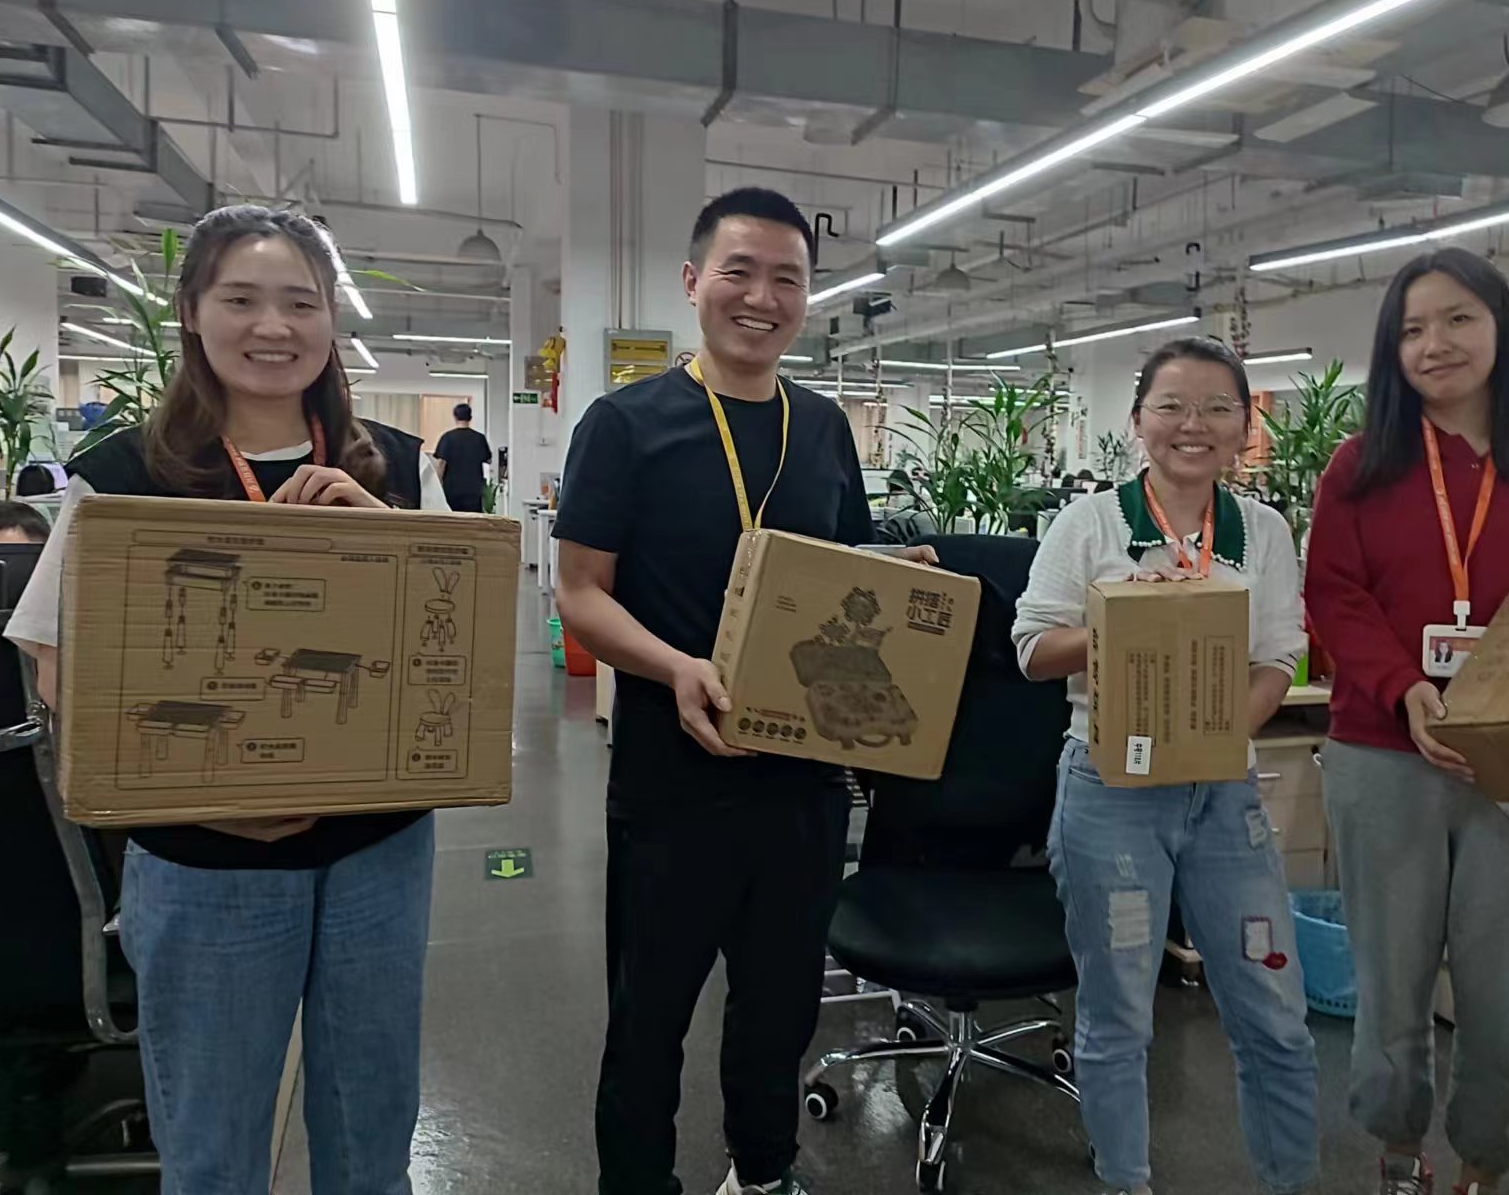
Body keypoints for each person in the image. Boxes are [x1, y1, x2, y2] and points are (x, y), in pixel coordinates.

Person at [6, 204, 450, 1195]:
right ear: (192, 312)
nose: (273, 326)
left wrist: (388, 538)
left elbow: (448, 653)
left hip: (377, 851)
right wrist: (202, 790)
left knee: (372, 1131)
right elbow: (60, 670)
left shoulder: (393, 463)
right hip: (206, 860)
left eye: (300, 302)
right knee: (212, 1149)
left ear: (330, 317)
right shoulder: (121, 476)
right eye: (241, 300)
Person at [554, 187, 933, 1195]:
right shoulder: (625, 424)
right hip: (671, 780)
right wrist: (674, 667)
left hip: (802, 781)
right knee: (649, 1017)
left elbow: (839, 573)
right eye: (739, 272)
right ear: (693, 282)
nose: (762, 298)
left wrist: (897, 582)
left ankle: (763, 1173)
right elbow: (579, 592)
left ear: (808, 296)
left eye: (787, 280)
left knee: (779, 1010)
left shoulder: (822, 427)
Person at [1305, 247, 1509, 1195]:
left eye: (1458, 319)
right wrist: (1403, 687)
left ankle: (1489, 1163)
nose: (1435, 343)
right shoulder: (1360, 466)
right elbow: (1334, 594)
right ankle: (1397, 1152)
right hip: (1385, 753)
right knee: (1391, 984)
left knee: (1505, 991)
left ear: (1502, 328)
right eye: (1412, 329)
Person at [1012, 336, 1320, 1195]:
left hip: (1223, 795)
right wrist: (1121, 622)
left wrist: (1216, 740)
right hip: (1110, 791)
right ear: (1138, 419)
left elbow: (1277, 658)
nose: (1194, 425)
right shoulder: (1091, 524)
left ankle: (1291, 1182)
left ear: (1244, 426)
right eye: (1172, 406)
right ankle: (1126, 1181)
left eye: (1219, 408)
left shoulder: (1262, 532)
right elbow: (1030, 648)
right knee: (1118, 1014)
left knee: (1275, 1014)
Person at [433, 402, 493, 513]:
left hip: (452, 489)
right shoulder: (479, 438)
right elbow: (488, 460)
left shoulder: (447, 438)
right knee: (472, 520)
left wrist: (438, 484)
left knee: (453, 519)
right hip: (473, 490)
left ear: (455, 417)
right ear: (470, 417)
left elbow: (441, 463)